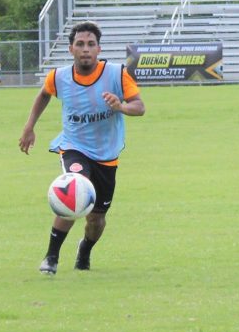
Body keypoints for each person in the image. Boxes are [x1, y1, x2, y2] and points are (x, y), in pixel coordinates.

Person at [19, 21, 145, 275]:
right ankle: (51, 257)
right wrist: (29, 126)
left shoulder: (116, 74)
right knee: (74, 189)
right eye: (80, 44)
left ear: (98, 49)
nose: (85, 49)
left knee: (96, 219)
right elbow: (44, 94)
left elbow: (139, 107)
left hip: (106, 155)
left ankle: (85, 248)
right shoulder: (58, 77)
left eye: (90, 44)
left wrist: (120, 106)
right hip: (73, 147)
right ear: (71, 49)